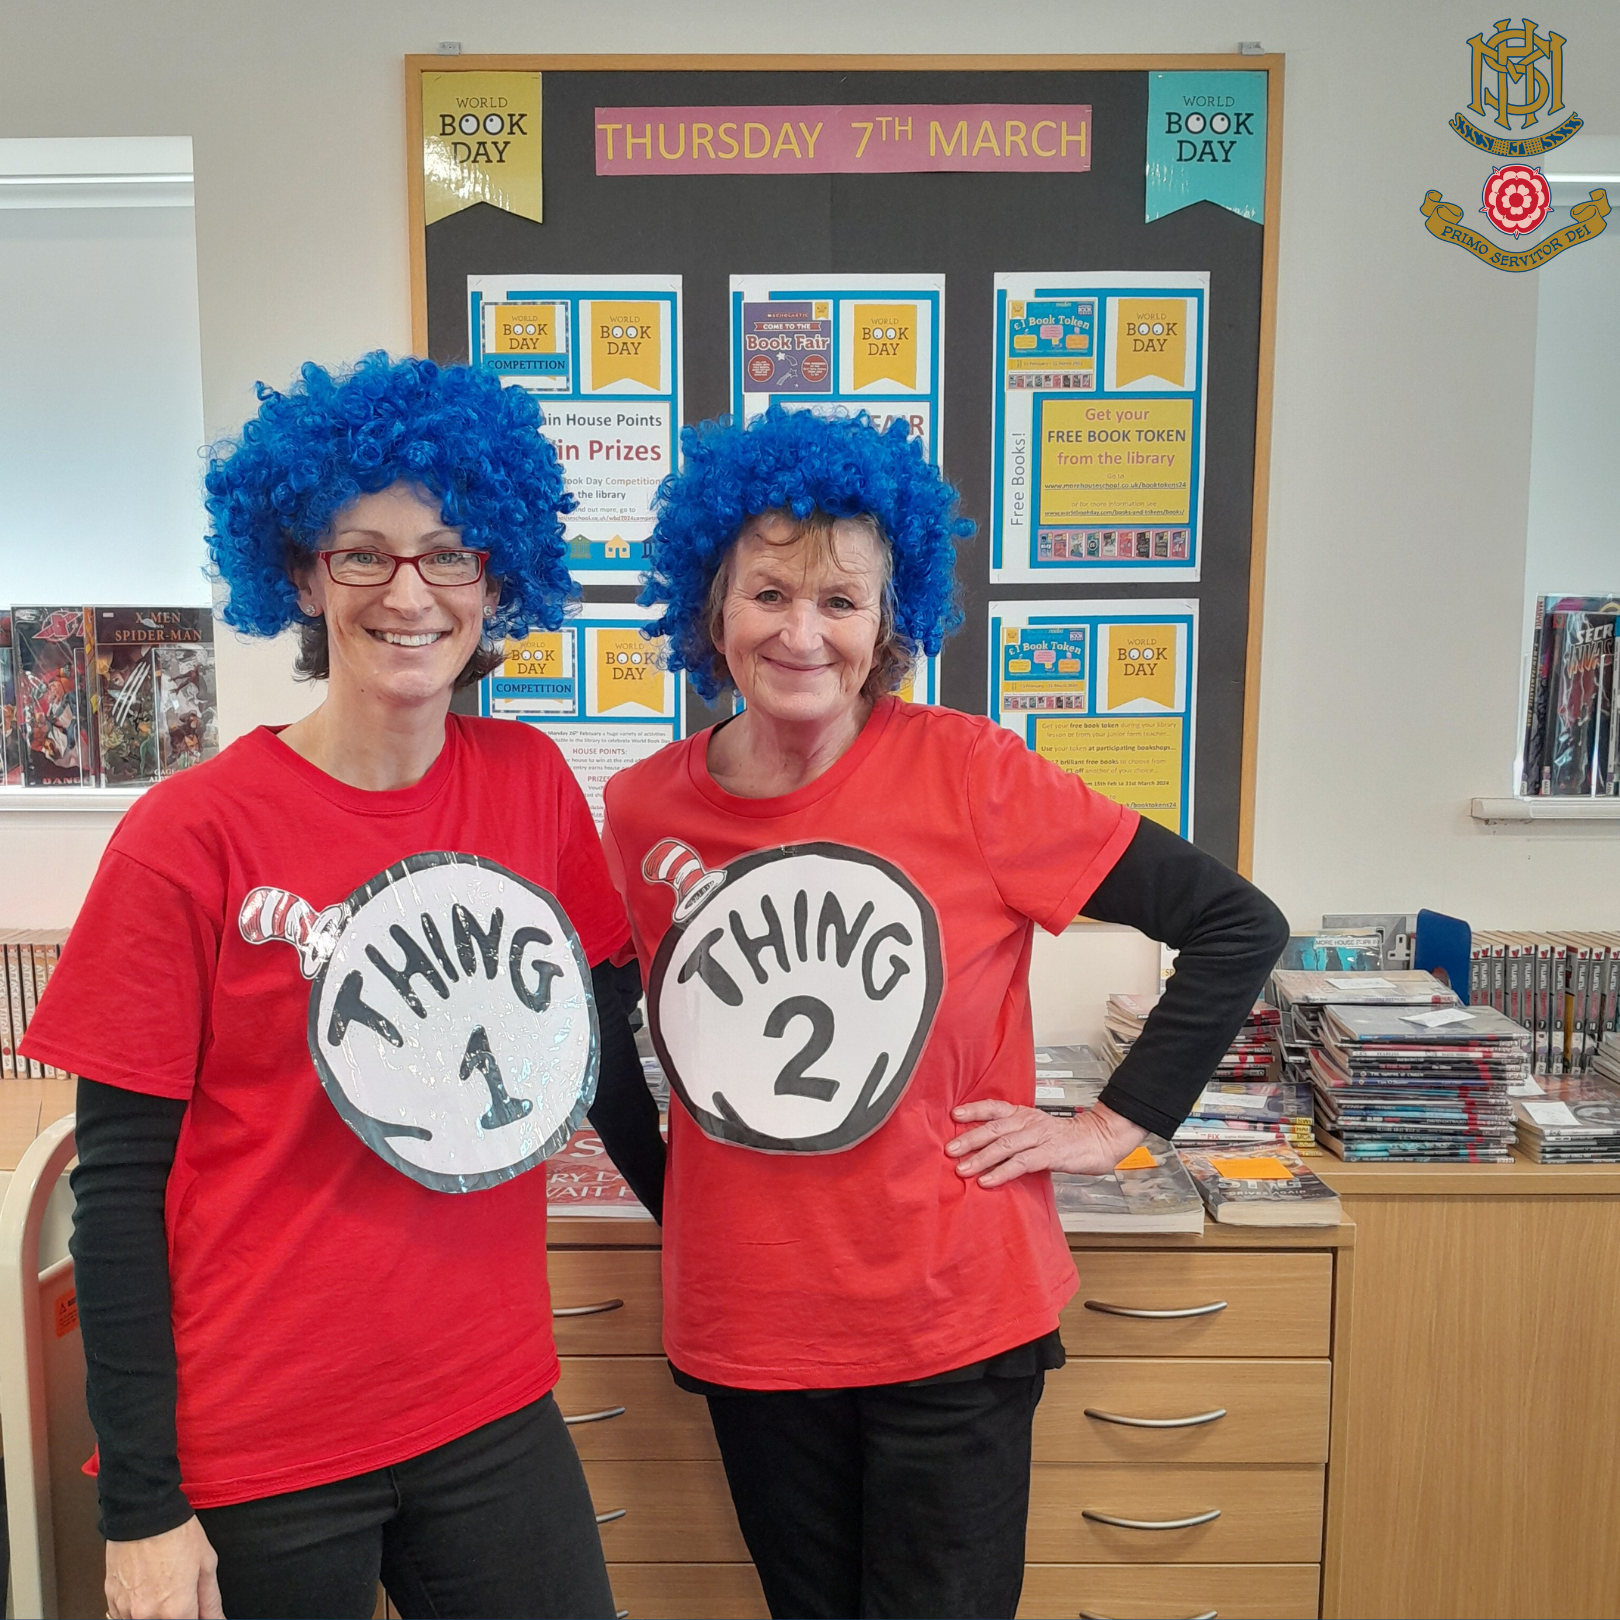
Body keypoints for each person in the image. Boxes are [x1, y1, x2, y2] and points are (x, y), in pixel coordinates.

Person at [599, 406, 1289, 1620]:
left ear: (887, 624)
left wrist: (1116, 1123)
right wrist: (691, 1200)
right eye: (766, 593)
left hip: (951, 1318)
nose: (800, 632)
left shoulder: (972, 772)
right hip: (755, 1328)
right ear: (710, 609)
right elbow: (617, 1042)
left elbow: (1235, 924)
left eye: (840, 602)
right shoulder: (641, 807)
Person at [21, 354, 661, 1620]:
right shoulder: (186, 837)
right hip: (263, 1448)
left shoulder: (530, 783)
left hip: (489, 1408)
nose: (408, 592)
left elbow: (602, 1055)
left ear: (496, 574)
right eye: (363, 554)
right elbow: (120, 1192)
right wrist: (143, 1506)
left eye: (447, 552)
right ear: (306, 575)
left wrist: (718, 1227)